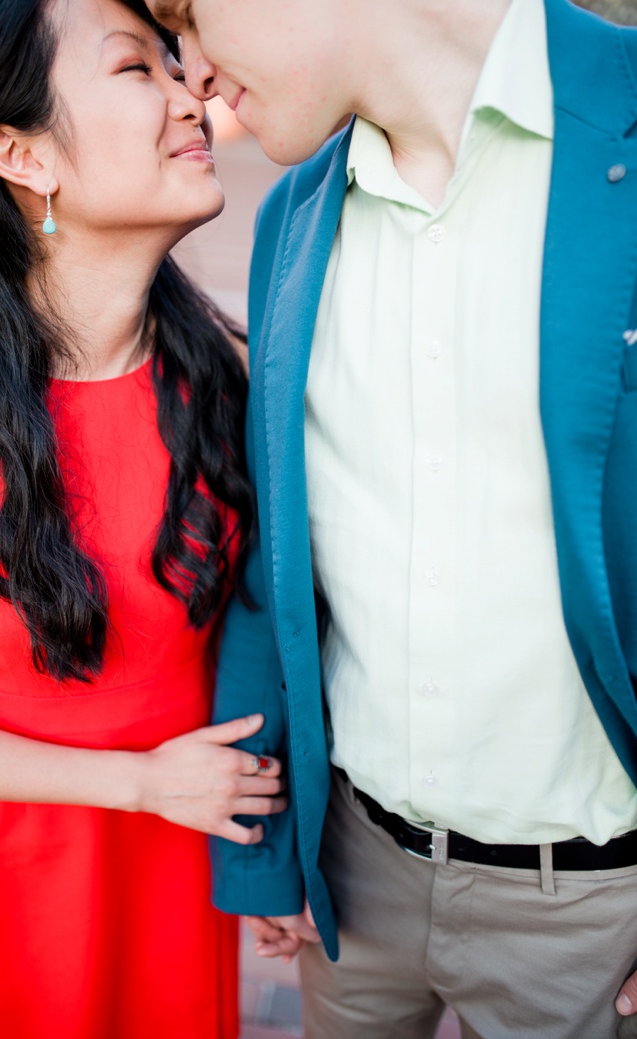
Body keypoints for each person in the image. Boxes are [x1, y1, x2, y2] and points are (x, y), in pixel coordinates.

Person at [151, 0, 637, 1035]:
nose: (188, 74)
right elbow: (273, 565)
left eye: (185, 17)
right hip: (355, 882)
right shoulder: (290, 219)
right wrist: (265, 855)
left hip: (600, 914)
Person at [0, 0, 287, 1035]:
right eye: (139, 69)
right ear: (20, 152)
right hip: (7, 894)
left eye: (180, 65)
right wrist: (135, 781)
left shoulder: (229, 380)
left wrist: (271, 859)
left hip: (186, 876)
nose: (195, 98)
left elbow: (270, 635)